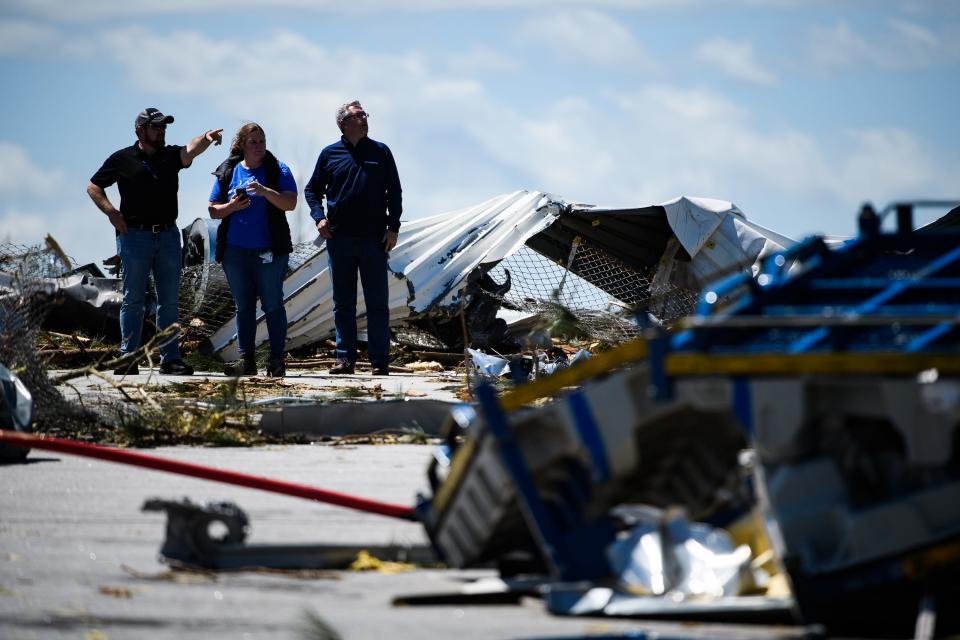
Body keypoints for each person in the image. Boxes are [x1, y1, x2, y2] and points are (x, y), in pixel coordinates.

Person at [88, 107, 223, 376]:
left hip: (168, 235)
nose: (161, 131)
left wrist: (206, 137)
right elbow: (94, 186)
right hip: (134, 236)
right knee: (133, 299)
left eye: (163, 127)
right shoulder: (122, 159)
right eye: (155, 127)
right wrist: (112, 213)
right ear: (140, 130)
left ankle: (170, 359)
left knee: (169, 301)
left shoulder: (169, 155)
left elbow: (190, 150)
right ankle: (128, 357)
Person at [305, 100, 402, 376]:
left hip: (374, 239)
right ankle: (345, 358)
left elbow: (394, 192)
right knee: (343, 302)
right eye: (357, 116)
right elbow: (312, 191)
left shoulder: (381, 152)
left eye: (364, 115)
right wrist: (319, 218)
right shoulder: (329, 154)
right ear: (343, 123)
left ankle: (380, 360)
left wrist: (393, 227)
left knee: (377, 302)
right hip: (340, 239)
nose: (363, 119)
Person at [208, 123, 298, 377]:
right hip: (235, 252)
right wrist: (233, 206)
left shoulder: (278, 169)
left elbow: (290, 203)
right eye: (253, 142)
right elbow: (213, 210)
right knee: (244, 306)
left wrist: (264, 191)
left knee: (272, 304)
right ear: (242, 145)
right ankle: (246, 359)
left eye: (262, 141)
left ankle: (276, 360)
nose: (259, 146)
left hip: (270, 249)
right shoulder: (229, 170)